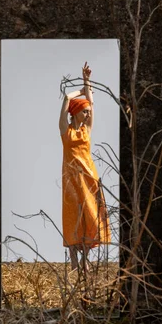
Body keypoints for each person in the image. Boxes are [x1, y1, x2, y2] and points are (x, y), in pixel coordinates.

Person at [59, 62, 111, 274]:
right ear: (76, 113)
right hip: (71, 177)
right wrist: (76, 93)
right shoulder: (66, 131)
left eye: (89, 112)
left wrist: (87, 81)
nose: (89, 115)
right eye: (85, 112)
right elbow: (65, 99)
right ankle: (73, 257)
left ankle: (85, 260)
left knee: (91, 214)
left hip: (89, 176)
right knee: (73, 213)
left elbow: (91, 102)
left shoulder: (86, 131)